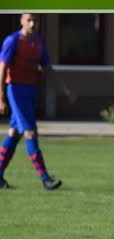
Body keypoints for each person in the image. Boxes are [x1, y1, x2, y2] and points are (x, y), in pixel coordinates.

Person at [0, 13, 71, 190]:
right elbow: (2, 69)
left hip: (31, 91)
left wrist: (64, 89)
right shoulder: (12, 41)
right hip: (16, 90)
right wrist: (1, 97)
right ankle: (46, 179)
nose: (32, 23)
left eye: (35, 20)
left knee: (14, 133)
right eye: (29, 19)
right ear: (21, 21)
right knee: (30, 133)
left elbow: (48, 68)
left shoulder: (38, 42)